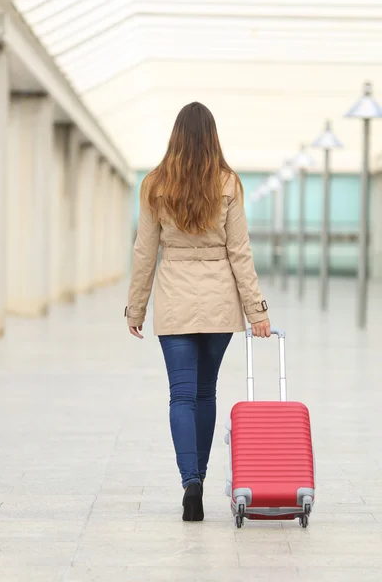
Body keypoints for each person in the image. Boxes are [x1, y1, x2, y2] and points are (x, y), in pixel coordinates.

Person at [125, 102, 270, 522]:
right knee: (206, 393)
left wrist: (136, 306)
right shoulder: (229, 183)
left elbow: (144, 250)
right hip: (220, 301)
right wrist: (256, 310)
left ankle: (190, 481)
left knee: (181, 395)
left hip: (174, 301)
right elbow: (240, 252)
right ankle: (200, 478)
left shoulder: (154, 184)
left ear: (176, 136)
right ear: (212, 137)